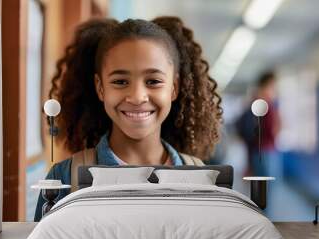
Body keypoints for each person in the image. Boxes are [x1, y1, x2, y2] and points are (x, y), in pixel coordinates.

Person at [34, 17, 223, 221]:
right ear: (100, 87)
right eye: (120, 81)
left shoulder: (203, 179)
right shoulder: (63, 178)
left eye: (153, 81)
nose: (137, 97)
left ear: (174, 88)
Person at [236, 71, 280, 177]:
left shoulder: (256, 102)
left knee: (262, 188)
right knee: (266, 189)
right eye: (273, 85)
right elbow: (268, 130)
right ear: (268, 84)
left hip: (260, 151)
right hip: (265, 151)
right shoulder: (263, 103)